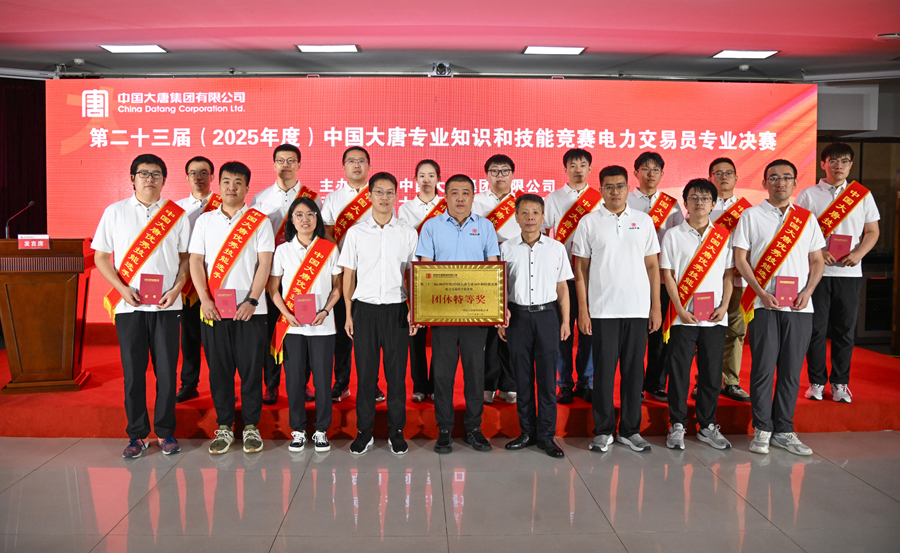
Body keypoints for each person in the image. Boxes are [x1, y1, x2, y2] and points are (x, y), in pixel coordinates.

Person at [92, 153, 191, 458]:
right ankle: (136, 435)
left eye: (156, 174)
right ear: (132, 178)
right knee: (134, 374)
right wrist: (121, 289)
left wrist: (177, 289)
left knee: (167, 373)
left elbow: (186, 259)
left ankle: (165, 431)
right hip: (129, 307)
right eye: (144, 173)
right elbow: (100, 257)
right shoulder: (115, 212)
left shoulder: (176, 215)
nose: (150, 179)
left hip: (166, 306)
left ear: (164, 179)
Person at [733, 159, 825, 456]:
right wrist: (760, 292)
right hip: (763, 304)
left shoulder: (806, 219)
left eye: (786, 177)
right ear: (765, 183)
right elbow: (740, 259)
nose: (780, 182)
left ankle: (784, 430)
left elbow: (817, 260)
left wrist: (808, 291)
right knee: (762, 369)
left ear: (795, 183)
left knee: (790, 371)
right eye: (774, 177)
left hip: (800, 307)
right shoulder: (751, 215)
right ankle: (762, 428)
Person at [189, 161, 275, 455]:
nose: (231, 187)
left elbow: (265, 263)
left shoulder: (259, 221)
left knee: (251, 372)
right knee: (219, 372)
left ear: (247, 188)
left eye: (238, 182)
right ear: (219, 184)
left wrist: (252, 300)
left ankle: (251, 426)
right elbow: (195, 261)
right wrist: (204, 300)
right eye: (226, 181)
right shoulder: (205, 221)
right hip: (213, 310)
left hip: (251, 311)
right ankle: (224, 426)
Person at [573, 165, 661, 453]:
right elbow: (581, 270)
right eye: (609, 187)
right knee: (604, 373)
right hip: (603, 310)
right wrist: (583, 310)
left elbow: (652, 266)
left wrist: (656, 307)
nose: (615, 192)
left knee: (634, 373)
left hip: (637, 308)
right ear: (601, 189)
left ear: (627, 188)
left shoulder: (643, 221)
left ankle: (630, 431)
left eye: (620, 186)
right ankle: (603, 430)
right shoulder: (589, 222)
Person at [416, 174, 501, 454]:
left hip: (476, 312)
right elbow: (425, 269)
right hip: (442, 312)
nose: (460, 198)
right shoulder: (432, 226)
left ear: (474, 196)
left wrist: (497, 309)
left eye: (466, 192)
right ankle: (444, 429)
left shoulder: (485, 226)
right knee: (443, 374)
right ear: (446, 196)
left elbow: (493, 267)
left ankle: (474, 428)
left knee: (475, 372)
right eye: (455, 192)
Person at [340, 172, 419, 456]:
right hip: (365, 311)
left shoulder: (408, 232)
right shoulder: (356, 233)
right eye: (379, 192)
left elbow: (414, 275)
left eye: (390, 192)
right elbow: (348, 275)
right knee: (366, 376)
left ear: (397, 196)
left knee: (396, 377)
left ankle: (397, 432)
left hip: (397, 311)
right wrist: (348, 314)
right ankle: (365, 432)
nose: (384, 197)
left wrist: (415, 311)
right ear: (369, 195)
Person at [796, 143, 880, 403]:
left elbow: (872, 231)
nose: (838, 165)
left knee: (845, 331)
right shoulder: (808, 195)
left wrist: (859, 254)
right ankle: (816, 382)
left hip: (849, 274)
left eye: (844, 161)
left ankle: (840, 383)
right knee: (816, 330)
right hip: (817, 274)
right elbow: (798, 232)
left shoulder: (862, 195)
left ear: (851, 165)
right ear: (823, 164)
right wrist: (818, 252)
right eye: (833, 160)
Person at [661, 179, 734, 450]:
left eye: (705, 198)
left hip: (715, 317)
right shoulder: (673, 235)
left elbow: (728, 275)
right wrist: (680, 309)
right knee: (679, 372)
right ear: (686, 203)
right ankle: (677, 424)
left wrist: (724, 306)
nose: (699, 202)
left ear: (713, 204)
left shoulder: (723, 236)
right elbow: (667, 274)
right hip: (683, 317)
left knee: (711, 374)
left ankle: (706, 425)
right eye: (693, 197)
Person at [500, 194, 572, 458]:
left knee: (546, 379)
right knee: (522, 379)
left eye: (535, 213)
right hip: (517, 318)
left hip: (547, 317)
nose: (530, 217)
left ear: (543, 217)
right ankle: (527, 432)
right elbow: (500, 287)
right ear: (516, 217)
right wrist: (500, 318)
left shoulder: (556, 248)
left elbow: (562, 288)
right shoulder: (506, 248)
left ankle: (546, 436)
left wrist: (565, 320)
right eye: (524, 213)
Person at [268, 197, 342, 453]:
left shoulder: (329, 249)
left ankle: (321, 430)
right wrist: (285, 314)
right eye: (299, 215)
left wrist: (326, 310)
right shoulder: (282, 251)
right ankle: (298, 430)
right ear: (291, 220)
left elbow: (337, 287)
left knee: (322, 380)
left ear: (317, 218)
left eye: (310, 214)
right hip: (293, 326)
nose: (305, 219)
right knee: (294, 380)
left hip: (323, 325)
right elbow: (273, 289)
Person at [250, 144, 320, 405]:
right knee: (272, 330)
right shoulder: (260, 199)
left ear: (299, 165)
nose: (285, 165)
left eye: (291, 160)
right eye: (280, 160)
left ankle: (302, 383)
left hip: (303, 272)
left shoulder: (312, 198)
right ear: (274, 164)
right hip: (271, 273)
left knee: (303, 328)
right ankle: (271, 384)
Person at [320, 146, 384, 403]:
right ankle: (341, 382)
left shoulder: (378, 195)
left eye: (361, 161)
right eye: (351, 161)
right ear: (343, 166)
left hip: (371, 272)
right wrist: (341, 260)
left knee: (369, 335)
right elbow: (326, 233)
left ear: (369, 166)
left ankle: (372, 383)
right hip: (342, 272)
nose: (356, 165)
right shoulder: (333, 198)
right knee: (342, 333)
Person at [543, 148, 599, 405]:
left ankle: (587, 382)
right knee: (562, 330)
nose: (578, 170)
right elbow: (543, 233)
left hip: (592, 274)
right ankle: (564, 383)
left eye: (583, 165)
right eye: (573, 165)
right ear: (565, 169)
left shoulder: (599, 198)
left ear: (590, 169)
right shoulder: (553, 198)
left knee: (589, 330)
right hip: (563, 274)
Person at [627, 151, 684, 403]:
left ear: (662, 173)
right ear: (636, 172)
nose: (651, 174)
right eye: (646, 169)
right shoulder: (625, 200)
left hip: (662, 278)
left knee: (661, 334)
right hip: (632, 277)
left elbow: (679, 239)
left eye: (656, 170)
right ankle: (635, 384)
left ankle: (656, 383)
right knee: (636, 335)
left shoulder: (672, 204)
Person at [473, 154, 520, 405]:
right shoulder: (476, 202)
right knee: (488, 330)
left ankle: (509, 383)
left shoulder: (521, 202)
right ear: (486, 174)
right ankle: (488, 383)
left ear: (512, 174)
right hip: (484, 268)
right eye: (494, 171)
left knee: (512, 325)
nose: (499, 175)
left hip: (515, 268)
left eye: (504, 171)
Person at [398, 159, 445, 402]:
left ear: (438, 179)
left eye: (431, 175)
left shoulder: (447, 206)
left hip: (441, 274)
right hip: (415, 272)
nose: (427, 180)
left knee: (440, 332)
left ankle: (436, 384)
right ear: (415, 179)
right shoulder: (405, 209)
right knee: (414, 330)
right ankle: (419, 385)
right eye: (422, 175)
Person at [175, 155, 221, 403]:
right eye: (193, 173)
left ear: (212, 176)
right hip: (187, 283)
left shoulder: (224, 205)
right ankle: (189, 383)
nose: (198, 177)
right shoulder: (176, 209)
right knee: (190, 337)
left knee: (217, 339)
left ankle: (221, 386)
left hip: (217, 281)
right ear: (186, 178)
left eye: (204, 172)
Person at [707, 157, 753, 402]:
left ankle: (731, 382)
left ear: (736, 177)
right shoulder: (702, 205)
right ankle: (705, 380)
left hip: (740, 281)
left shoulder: (749, 211)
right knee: (706, 330)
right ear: (710, 178)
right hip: (708, 281)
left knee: (736, 332)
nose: (723, 176)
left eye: (728, 172)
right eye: (718, 173)